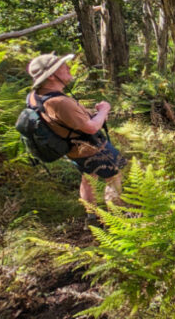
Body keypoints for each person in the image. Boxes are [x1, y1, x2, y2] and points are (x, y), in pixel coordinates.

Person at [26, 53, 126, 209]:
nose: (68, 67)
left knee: (88, 178)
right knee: (113, 177)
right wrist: (104, 111)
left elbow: (65, 120)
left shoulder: (35, 97)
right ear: (52, 76)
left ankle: (92, 216)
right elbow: (91, 127)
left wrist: (92, 115)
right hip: (91, 147)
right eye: (62, 67)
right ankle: (118, 218)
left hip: (73, 149)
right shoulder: (59, 102)